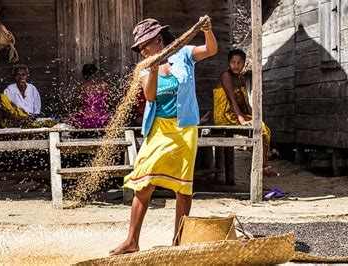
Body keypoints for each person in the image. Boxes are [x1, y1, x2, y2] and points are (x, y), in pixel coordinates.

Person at [110, 16, 218, 255]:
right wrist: (155, 67)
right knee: (144, 182)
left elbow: (211, 50)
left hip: (184, 130)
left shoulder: (185, 55)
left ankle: (178, 242)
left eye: (145, 45)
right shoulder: (145, 68)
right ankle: (132, 241)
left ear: (158, 39)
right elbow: (150, 97)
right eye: (139, 48)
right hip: (158, 129)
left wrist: (208, 31)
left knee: (182, 189)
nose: (142, 50)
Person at [213, 49, 277, 176]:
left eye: (239, 63)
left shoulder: (241, 79)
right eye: (233, 62)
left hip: (236, 113)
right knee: (261, 129)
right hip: (225, 115)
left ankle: (259, 165)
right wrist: (242, 120)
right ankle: (261, 166)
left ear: (244, 64)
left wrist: (255, 117)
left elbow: (245, 103)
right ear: (228, 63)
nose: (236, 65)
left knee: (263, 128)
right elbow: (232, 100)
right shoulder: (225, 76)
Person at [71, 64, 111, 129]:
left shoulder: (82, 88)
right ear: (96, 72)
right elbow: (112, 103)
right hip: (103, 120)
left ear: (84, 74)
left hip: (85, 121)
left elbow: (74, 106)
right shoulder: (105, 86)